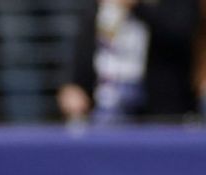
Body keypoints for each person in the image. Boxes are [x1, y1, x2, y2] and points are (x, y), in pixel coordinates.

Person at [58, 0, 202, 123]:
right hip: (107, 105)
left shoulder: (175, 5)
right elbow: (89, 44)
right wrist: (76, 84)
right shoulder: (99, 7)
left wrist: (137, 6)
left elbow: (181, 33)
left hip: (162, 111)